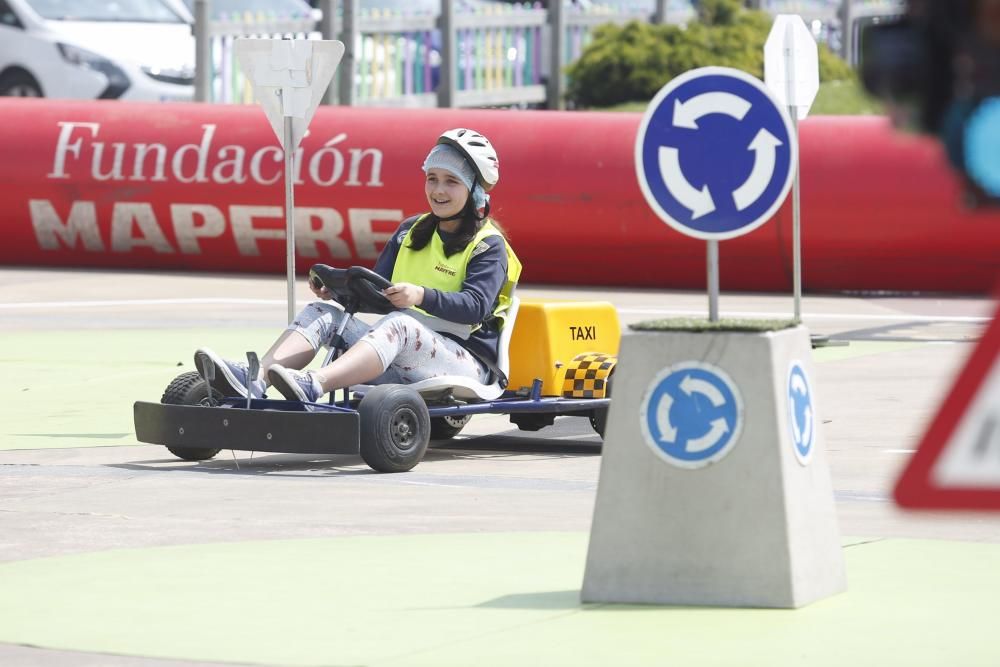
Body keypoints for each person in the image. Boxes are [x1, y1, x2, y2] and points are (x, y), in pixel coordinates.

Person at [194, 128, 521, 403]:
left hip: (466, 363)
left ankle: (313, 384)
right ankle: (256, 379)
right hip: (404, 350)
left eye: (451, 181)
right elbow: (378, 295)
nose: (437, 190)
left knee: (401, 324)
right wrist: (337, 291)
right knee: (322, 312)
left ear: (475, 189)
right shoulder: (411, 230)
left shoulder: (488, 246)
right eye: (432, 178)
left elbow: (475, 307)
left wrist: (420, 295)